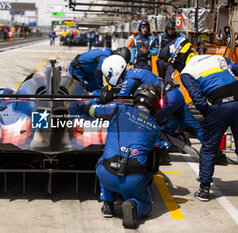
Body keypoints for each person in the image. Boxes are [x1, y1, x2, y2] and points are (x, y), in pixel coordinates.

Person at [165, 36, 238, 201]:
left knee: (208, 149)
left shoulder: (187, 72)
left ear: (179, 58)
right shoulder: (218, 57)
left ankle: (204, 189)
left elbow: (197, 99)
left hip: (220, 106)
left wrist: (209, 115)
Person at [84, 82, 162, 229]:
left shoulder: (118, 109)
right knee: (146, 204)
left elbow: (89, 109)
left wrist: (101, 99)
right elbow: (152, 153)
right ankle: (134, 206)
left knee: (103, 160)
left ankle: (108, 203)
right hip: (133, 180)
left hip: (107, 173)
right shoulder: (155, 128)